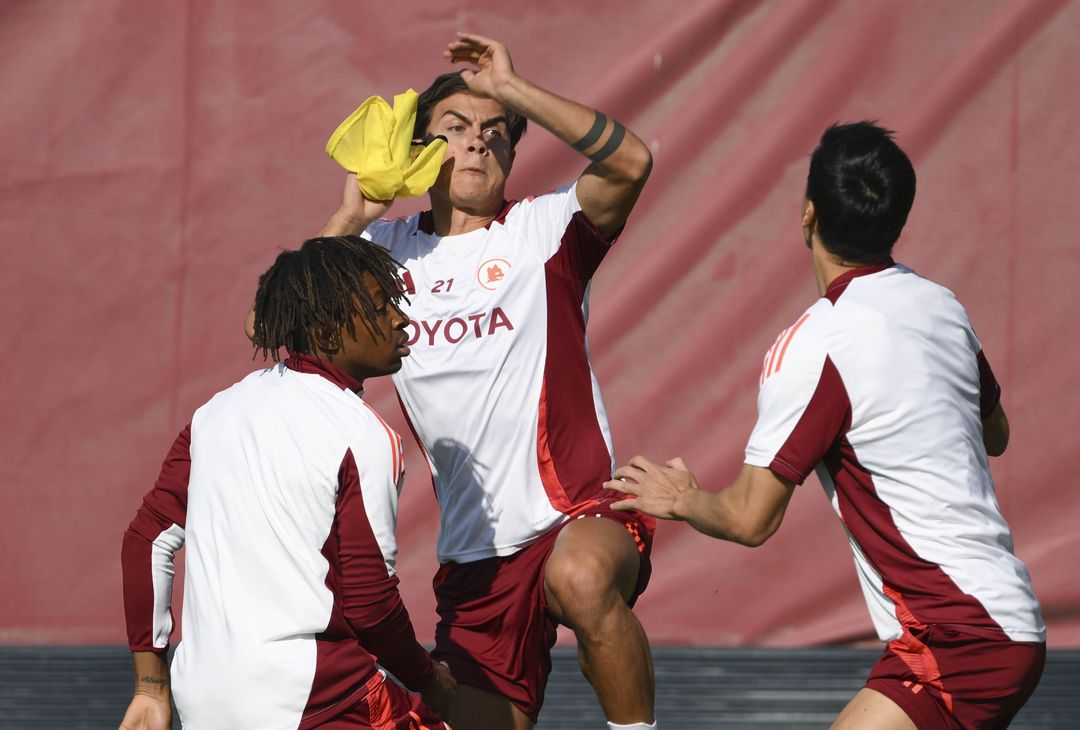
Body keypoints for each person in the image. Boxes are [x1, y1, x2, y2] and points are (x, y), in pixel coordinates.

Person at [606, 122, 1046, 729]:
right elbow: (995, 435)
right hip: (1005, 618)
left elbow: (749, 519)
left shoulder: (817, 343)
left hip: (957, 636)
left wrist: (682, 499)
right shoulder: (942, 305)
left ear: (808, 214)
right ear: (895, 219)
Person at [313, 33, 656, 730]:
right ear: (421, 151)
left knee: (582, 580)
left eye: (496, 133)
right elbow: (295, 321)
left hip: (578, 515)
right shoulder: (382, 255)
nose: (478, 143)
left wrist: (512, 87)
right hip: (474, 558)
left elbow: (631, 161)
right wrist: (354, 211)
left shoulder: (542, 230)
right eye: (457, 129)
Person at [120, 236, 456, 730]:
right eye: (382, 305)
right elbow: (370, 605)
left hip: (204, 706)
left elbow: (145, 541)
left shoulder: (214, 413)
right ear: (326, 328)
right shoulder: (362, 432)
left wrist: (151, 689)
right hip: (317, 700)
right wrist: (431, 681)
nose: (400, 318)